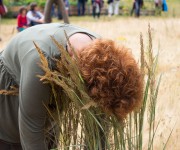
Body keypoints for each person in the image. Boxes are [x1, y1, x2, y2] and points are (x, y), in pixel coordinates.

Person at [0, 23, 143, 150]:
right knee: (16, 141)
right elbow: (32, 131)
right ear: (86, 84)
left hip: (49, 97)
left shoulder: (102, 54)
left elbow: (100, 127)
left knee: (50, 137)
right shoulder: (40, 61)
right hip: (10, 95)